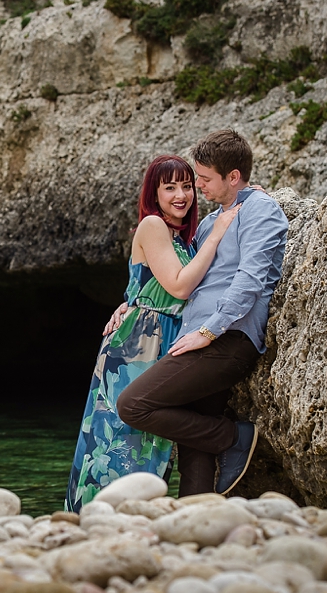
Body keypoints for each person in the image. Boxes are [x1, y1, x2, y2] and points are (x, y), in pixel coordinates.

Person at [64, 154, 241, 513]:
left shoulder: (184, 236)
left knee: (154, 440)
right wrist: (219, 230)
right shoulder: (152, 226)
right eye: (170, 187)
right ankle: (97, 516)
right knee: (120, 437)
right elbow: (178, 286)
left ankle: (147, 516)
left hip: (169, 336)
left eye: (187, 186)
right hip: (138, 344)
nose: (181, 195)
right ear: (154, 193)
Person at [117, 129, 288, 498]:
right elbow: (176, 278)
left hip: (227, 340)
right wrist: (131, 300)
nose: (197, 187)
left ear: (234, 177)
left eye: (204, 179)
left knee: (133, 405)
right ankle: (195, 515)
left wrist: (210, 331)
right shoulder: (210, 224)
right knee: (193, 439)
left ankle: (233, 437)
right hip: (193, 338)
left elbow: (251, 278)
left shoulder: (260, 209)